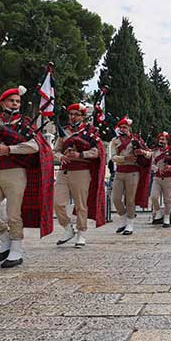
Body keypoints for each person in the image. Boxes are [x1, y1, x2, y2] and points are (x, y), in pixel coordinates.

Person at [0, 86, 54, 268]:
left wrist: (9, 149)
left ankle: (16, 250)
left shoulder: (26, 121)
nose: (15, 103)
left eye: (18, 101)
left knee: (14, 214)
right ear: (2, 102)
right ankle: (5, 240)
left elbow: (36, 146)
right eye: (11, 100)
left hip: (16, 172)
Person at [53, 103, 106, 248]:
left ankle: (81, 233)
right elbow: (55, 150)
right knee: (58, 202)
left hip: (81, 171)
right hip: (64, 171)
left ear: (83, 116)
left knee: (81, 204)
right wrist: (60, 157)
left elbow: (97, 152)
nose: (73, 117)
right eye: (71, 114)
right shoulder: (64, 131)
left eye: (76, 114)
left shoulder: (90, 132)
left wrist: (80, 154)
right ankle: (68, 228)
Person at [110, 116, 151, 235]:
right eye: (121, 127)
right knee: (116, 199)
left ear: (129, 128)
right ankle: (123, 220)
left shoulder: (136, 140)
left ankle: (130, 224)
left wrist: (142, 152)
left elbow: (149, 153)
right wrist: (125, 158)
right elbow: (113, 157)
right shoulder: (115, 141)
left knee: (130, 199)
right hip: (120, 171)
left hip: (133, 172)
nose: (123, 129)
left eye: (125, 127)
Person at [147, 132, 171, 228]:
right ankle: (158, 211)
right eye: (160, 139)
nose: (161, 141)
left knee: (167, 200)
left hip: (168, 178)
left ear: (167, 140)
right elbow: (151, 164)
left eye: (163, 139)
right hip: (157, 177)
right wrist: (157, 169)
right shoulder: (155, 152)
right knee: (153, 196)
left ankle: (166, 217)